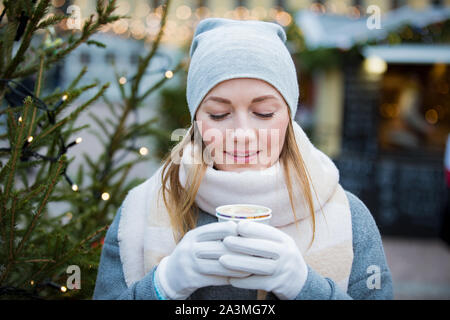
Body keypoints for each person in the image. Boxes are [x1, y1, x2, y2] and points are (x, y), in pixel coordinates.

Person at [93, 18, 393, 300]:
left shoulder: (347, 216)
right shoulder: (141, 211)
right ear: (196, 119)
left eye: (263, 113)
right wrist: (162, 286)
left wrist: (306, 287)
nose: (242, 134)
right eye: (219, 114)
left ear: (289, 115)